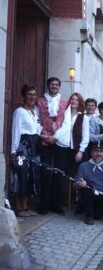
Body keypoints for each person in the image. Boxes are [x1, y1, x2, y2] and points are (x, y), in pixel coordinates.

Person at [37, 77, 67, 215]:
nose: (54, 86)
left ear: (59, 87)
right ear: (48, 85)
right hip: (44, 140)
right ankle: (44, 204)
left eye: (57, 84)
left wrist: (55, 137)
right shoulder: (40, 101)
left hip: (59, 141)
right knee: (46, 173)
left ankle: (57, 205)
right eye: (52, 84)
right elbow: (36, 119)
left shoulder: (64, 103)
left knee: (59, 173)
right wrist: (42, 135)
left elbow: (66, 124)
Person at [10, 85, 42, 217]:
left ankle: (26, 206)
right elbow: (16, 131)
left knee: (31, 175)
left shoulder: (35, 112)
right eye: (29, 94)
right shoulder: (19, 111)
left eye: (34, 94)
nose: (32, 97)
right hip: (23, 146)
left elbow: (37, 129)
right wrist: (13, 151)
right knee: (21, 175)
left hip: (34, 145)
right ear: (23, 96)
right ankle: (18, 208)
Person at [75, 141, 103, 225]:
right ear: (91, 153)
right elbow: (76, 184)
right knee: (86, 190)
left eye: (101, 151)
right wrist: (80, 183)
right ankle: (89, 216)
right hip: (89, 194)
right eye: (95, 151)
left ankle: (96, 213)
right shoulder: (83, 166)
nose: (98, 153)